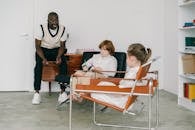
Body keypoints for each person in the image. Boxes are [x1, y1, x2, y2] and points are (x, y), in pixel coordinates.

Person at [91, 43, 152, 111]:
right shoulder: (139, 70)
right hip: (126, 95)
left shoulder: (133, 74)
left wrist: (111, 88)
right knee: (102, 83)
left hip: (121, 101)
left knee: (94, 93)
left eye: (127, 57)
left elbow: (122, 90)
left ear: (132, 59)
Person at [32, 12, 69, 105]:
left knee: (64, 63)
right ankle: (37, 93)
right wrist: (44, 59)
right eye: (52, 20)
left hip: (56, 50)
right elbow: (37, 47)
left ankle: (63, 92)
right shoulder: (41, 28)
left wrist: (59, 56)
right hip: (43, 50)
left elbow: (62, 46)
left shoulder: (63, 29)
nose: (55, 22)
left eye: (56, 20)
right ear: (48, 20)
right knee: (38, 66)